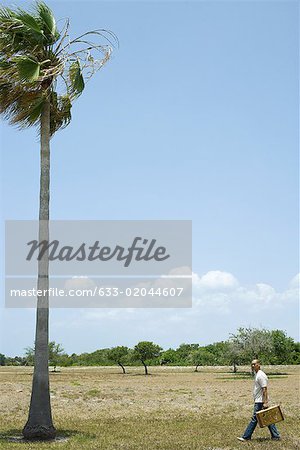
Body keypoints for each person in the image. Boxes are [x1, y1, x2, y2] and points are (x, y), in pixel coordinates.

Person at [237, 359, 281, 442]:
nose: (253, 366)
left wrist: (265, 402)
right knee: (267, 418)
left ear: (259, 364)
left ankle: (246, 437)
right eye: (252, 364)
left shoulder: (261, 375)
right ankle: (276, 436)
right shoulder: (257, 374)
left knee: (255, 419)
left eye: (254, 364)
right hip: (259, 400)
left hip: (260, 401)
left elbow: (265, 389)